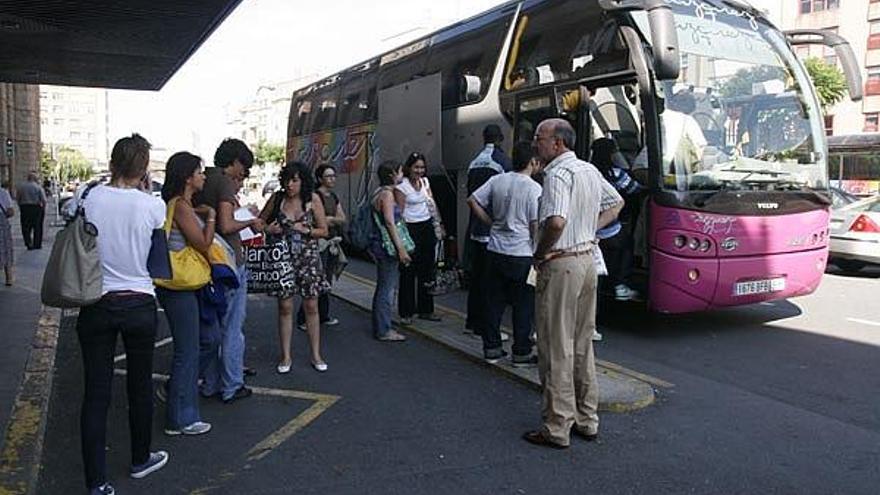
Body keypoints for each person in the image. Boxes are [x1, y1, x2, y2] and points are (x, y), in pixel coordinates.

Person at [76, 134, 169, 495]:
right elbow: (155, 251)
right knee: (140, 385)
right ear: (144, 168)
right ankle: (140, 458)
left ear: (113, 162)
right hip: (140, 303)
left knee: (96, 395)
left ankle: (96, 483)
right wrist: (144, 190)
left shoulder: (89, 197)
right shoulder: (151, 206)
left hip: (96, 302)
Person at [524, 119, 623, 449]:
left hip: (561, 263)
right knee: (582, 344)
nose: (536, 143)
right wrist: (589, 231)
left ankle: (556, 426)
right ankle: (587, 419)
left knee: (555, 346)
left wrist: (541, 251)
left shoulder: (557, 174)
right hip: (587, 261)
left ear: (558, 144)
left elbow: (555, 221)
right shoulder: (590, 170)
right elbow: (617, 204)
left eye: (540, 138)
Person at [193, 138, 264, 404]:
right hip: (229, 262)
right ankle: (232, 384)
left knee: (212, 325)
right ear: (233, 162)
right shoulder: (222, 182)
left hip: (208, 262)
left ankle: (211, 383)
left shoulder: (204, 180)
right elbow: (226, 223)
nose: (243, 174)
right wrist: (252, 221)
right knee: (232, 326)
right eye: (243, 168)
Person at [156, 152, 216, 437]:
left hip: (187, 286)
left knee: (207, 340)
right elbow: (204, 243)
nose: (203, 176)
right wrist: (213, 217)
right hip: (178, 286)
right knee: (187, 350)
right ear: (187, 177)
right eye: (199, 172)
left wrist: (201, 213)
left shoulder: (185, 205)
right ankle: (181, 418)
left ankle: (176, 396)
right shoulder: (180, 205)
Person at [467, 141, 542, 366]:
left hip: (495, 248)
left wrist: (491, 222)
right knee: (523, 305)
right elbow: (535, 224)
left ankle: (492, 348)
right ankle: (521, 352)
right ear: (533, 162)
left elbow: (472, 200)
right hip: (522, 253)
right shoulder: (534, 189)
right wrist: (538, 250)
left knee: (493, 302)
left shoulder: (497, 180)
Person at [260, 161, 330, 373]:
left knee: (311, 307)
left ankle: (316, 354)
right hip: (283, 259)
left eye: (295, 180)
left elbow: (324, 230)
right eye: (287, 180)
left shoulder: (312, 200)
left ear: (303, 181)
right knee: (285, 307)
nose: (290, 185)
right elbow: (260, 221)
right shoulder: (277, 199)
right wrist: (268, 229)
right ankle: (286, 356)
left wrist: (306, 230)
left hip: (308, 260)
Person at [465, 124, 511, 339]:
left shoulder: (474, 161)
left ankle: (472, 321)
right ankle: (485, 327)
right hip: (492, 230)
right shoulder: (501, 162)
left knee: (477, 279)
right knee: (490, 282)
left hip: (475, 227)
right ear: (501, 139)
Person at [591, 138, 642, 302]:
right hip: (609, 230)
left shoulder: (588, 171)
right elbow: (635, 189)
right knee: (627, 244)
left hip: (591, 228)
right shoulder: (616, 174)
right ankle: (620, 284)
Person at [394, 152, 442, 324]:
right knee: (408, 272)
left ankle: (426, 310)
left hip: (426, 227)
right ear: (409, 168)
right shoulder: (402, 187)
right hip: (409, 228)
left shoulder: (425, 182)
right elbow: (398, 214)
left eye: (422, 167)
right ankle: (406, 312)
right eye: (416, 167)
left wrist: (438, 224)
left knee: (427, 270)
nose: (419, 171)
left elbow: (431, 203)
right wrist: (400, 238)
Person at [296, 163, 345, 328]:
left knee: (326, 279)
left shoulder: (334, 197)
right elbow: (318, 220)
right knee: (315, 279)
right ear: (319, 179)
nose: (332, 179)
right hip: (318, 243)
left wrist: (330, 219)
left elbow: (342, 218)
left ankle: (323, 315)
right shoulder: (315, 196)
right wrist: (327, 220)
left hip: (332, 242)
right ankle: (304, 318)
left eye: (333, 176)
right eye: (328, 176)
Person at [371, 161, 411, 342]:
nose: (402, 175)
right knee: (386, 288)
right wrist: (400, 248)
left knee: (383, 286)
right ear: (392, 174)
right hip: (387, 247)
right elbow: (389, 222)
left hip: (379, 245)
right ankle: (384, 329)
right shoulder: (387, 195)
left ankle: (382, 325)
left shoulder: (378, 192)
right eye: (401, 171)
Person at [15, 171, 47, 250]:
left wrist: (20, 206)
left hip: (25, 208)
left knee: (25, 227)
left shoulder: (21, 187)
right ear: (34, 178)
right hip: (36, 208)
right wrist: (43, 208)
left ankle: (28, 243)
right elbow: (43, 200)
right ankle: (37, 244)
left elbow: (18, 198)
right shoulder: (38, 187)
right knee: (37, 227)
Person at [0, 181, 15, 286]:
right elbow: (10, 211)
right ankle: (8, 277)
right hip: (1, 222)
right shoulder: (3, 193)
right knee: (5, 247)